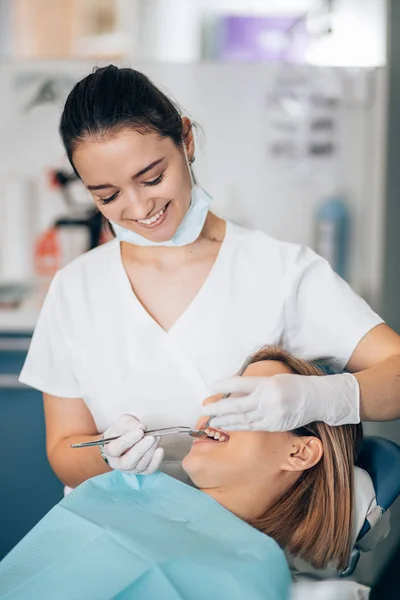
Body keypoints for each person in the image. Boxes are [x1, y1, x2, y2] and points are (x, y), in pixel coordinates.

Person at [19, 65, 400, 492]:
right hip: (116, 541)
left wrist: (317, 399)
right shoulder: (75, 289)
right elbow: (63, 452)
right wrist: (107, 456)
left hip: (245, 545)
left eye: (152, 178)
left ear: (186, 139)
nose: (139, 208)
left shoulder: (281, 271)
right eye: (107, 195)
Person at [1, 348, 369, 600]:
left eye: (247, 400)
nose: (209, 405)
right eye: (222, 395)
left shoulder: (248, 574)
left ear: (301, 451)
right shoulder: (127, 492)